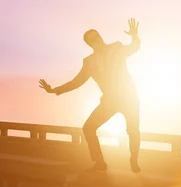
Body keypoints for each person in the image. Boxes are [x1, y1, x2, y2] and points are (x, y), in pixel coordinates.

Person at [39, 18, 142, 172]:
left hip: (129, 98)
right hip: (110, 101)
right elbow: (77, 82)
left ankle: (134, 160)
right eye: (92, 39)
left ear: (100, 36)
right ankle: (100, 162)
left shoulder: (117, 47)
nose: (97, 40)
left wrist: (134, 36)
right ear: (89, 44)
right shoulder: (89, 62)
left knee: (133, 130)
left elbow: (134, 48)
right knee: (88, 128)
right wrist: (54, 90)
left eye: (97, 36)